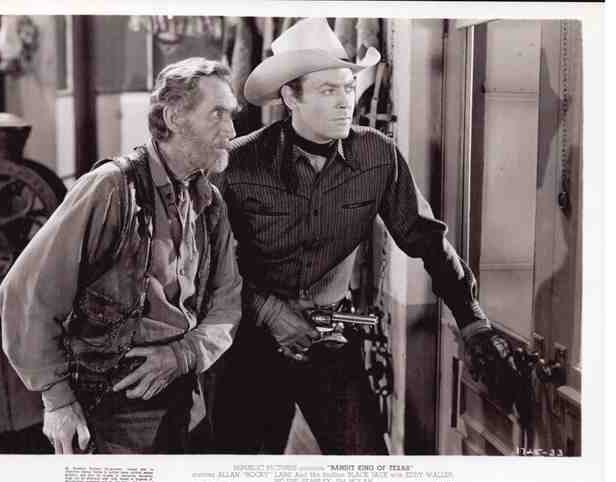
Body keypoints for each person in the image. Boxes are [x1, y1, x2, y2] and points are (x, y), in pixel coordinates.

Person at [210, 18, 517, 454]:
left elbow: (426, 239)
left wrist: (474, 323)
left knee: (369, 467)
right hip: (251, 346)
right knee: (239, 474)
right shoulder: (238, 164)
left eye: (348, 87)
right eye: (327, 90)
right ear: (291, 97)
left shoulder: (376, 155)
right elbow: (206, 262)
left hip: (330, 338)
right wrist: (270, 312)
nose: (345, 102)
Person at [0, 57, 242, 454]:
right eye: (218, 114)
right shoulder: (111, 188)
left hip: (185, 395)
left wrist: (185, 354)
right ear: (174, 118)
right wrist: (57, 399)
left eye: (231, 115)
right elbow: (24, 294)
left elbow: (227, 302)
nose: (231, 131)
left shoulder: (208, 200)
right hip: (110, 405)